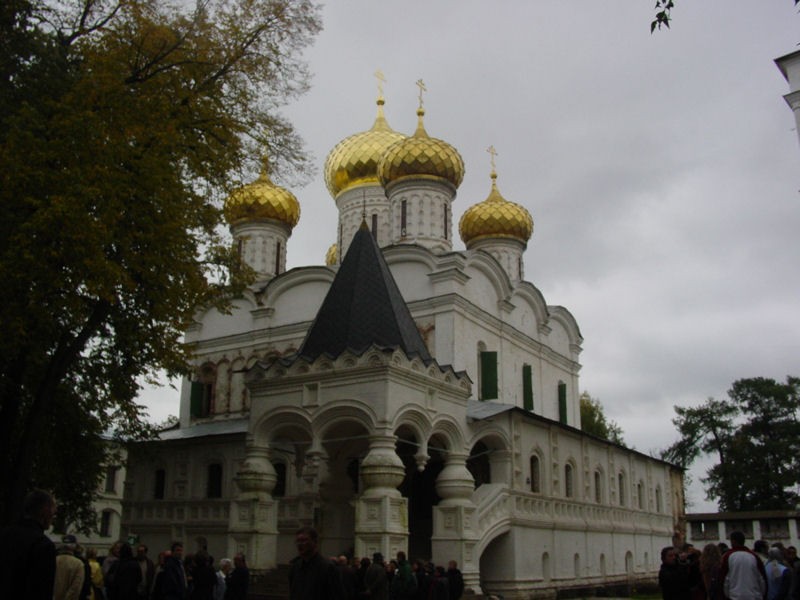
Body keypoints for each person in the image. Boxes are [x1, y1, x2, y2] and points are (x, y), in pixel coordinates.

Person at [0, 489, 57, 600]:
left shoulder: (4, 535)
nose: (53, 516)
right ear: (45, 511)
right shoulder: (43, 545)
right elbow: (41, 590)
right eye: (53, 511)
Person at [288, 526, 343, 600]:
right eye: (298, 541)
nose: (300, 544)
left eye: (304, 540)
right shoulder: (295, 567)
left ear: (315, 542)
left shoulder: (328, 568)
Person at [721, 530, 767, 600]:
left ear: (733, 541)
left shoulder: (727, 557)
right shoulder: (754, 556)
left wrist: (726, 595)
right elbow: (762, 579)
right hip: (754, 596)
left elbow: (723, 579)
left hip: (734, 596)